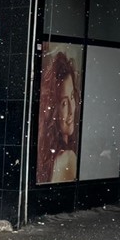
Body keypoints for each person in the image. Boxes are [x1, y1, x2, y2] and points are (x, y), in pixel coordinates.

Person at [37, 50, 80, 183]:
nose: (71, 110)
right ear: (53, 111)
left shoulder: (48, 157)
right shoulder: (68, 159)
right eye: (64, 103)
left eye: (72, 97)